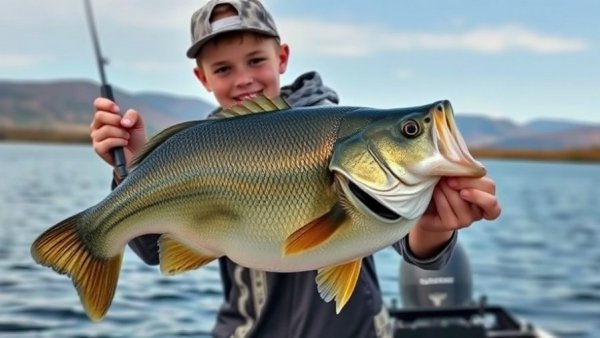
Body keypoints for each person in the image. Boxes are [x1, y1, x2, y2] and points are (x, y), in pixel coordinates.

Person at [89, 1, 501, 337]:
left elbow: (413, 248)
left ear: (282, 57)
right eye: (223, 69)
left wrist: (434, 226)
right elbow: (153, 248)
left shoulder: (335, 127)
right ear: (202, 78)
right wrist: (132, 167)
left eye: (255, 60)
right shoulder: (202, 148)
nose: (244, 79)